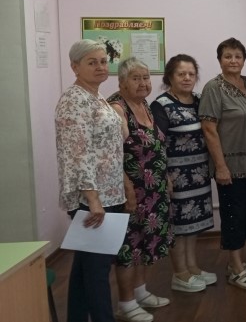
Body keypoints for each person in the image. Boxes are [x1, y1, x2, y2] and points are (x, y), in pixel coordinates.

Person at [56, 40, 127, 322]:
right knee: (97, 272)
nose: (100, 67)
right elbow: (78, 153)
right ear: (75, 67)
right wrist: (93, 199)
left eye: (103, 61)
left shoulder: (97, 96)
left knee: (84, 269)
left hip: (110, 193)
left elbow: (114, 140)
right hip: (94, 199)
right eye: (92, 62)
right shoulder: (74, 101)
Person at [108, 58, 172, 322]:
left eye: (146, 77)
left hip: (153, 188)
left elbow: (156, 146)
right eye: (136, 78)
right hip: (131, 191)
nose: (143, 83)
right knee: (129, 247)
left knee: (145, 243)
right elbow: (111, 156)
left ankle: (141, 292)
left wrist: (165, 177)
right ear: (121, 82)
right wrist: (127, 188)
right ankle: (126, 303)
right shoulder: (117, 108)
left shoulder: (144, 104)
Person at [199, 38, 246, 290]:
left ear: (244, 59)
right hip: (230, 167)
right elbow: (209, 128)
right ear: (219, 60)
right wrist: (221, 166)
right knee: (233, 216)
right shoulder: (213, 88)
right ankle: (235, 269)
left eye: (238, 56)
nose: (233, 60)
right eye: (228, 56)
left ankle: (237, 262)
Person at [150, 54, 215, 293]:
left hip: (198, 173)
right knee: (178, 225)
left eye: (191, 74)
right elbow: (156, 143)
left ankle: (192, 267)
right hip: (175, 176)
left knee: (193, 222)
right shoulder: (161, 105)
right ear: (170, 77)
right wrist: (164, 174)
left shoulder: (199, 101)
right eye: (181, 74)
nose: (187, 78)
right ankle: (180, 274)